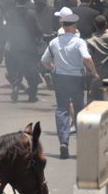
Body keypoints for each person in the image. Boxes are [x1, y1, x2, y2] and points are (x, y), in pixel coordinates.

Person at [41, 8, 97, 159]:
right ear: (74, 26)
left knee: (62, 109)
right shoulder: (79, 42)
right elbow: (86, 58)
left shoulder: (54, 42)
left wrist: (53, 68)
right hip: (77, 78)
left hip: (60, 78)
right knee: (79, 109)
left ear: (63, 26)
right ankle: (83, 142)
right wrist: (93, 71)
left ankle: (63, 143)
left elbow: (44, 60)